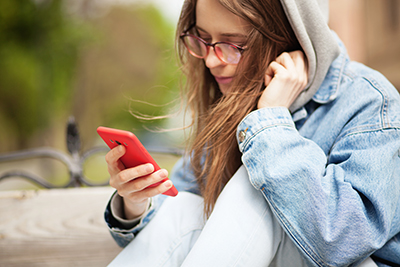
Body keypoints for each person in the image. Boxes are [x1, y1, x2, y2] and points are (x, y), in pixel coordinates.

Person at [103, 0, 400, 266]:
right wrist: (136, 202)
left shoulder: (371, 102)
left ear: (292, 37)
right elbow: (177, 208)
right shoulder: (235, 99)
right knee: (184, 210)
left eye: (233, 45)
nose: (210, 60)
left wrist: (270, 124)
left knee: (256, 181)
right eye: (202, 39)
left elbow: (342, 242)